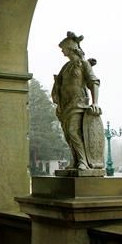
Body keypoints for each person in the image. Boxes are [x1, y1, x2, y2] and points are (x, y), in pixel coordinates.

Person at [51, 32, 101, 170]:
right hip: (65, 106)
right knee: (68, 135)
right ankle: (76, 160)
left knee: (73, 131)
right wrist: (58, 102)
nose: (62, 51)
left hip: (79, 103)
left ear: (70, 47)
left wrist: (95, 103)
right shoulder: (66, 67)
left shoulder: (83, 64)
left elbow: (93, 82)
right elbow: (58, 84)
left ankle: (83, 161)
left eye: (63, 48)